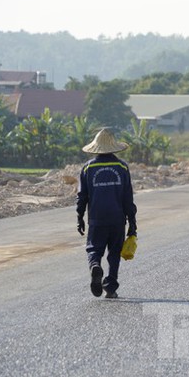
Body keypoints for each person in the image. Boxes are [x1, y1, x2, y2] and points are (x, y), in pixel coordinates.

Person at [76, 128, 137, 299]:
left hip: (97, 219)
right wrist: (132, 223)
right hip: (118, 218)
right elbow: (128, 198)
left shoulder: (88, 168)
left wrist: (79, 217)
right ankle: (110, 286)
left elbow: (82, 196)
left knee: (94, 249)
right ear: (113, 147)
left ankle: (95, 265)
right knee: (115, 252)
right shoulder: (122, 167)